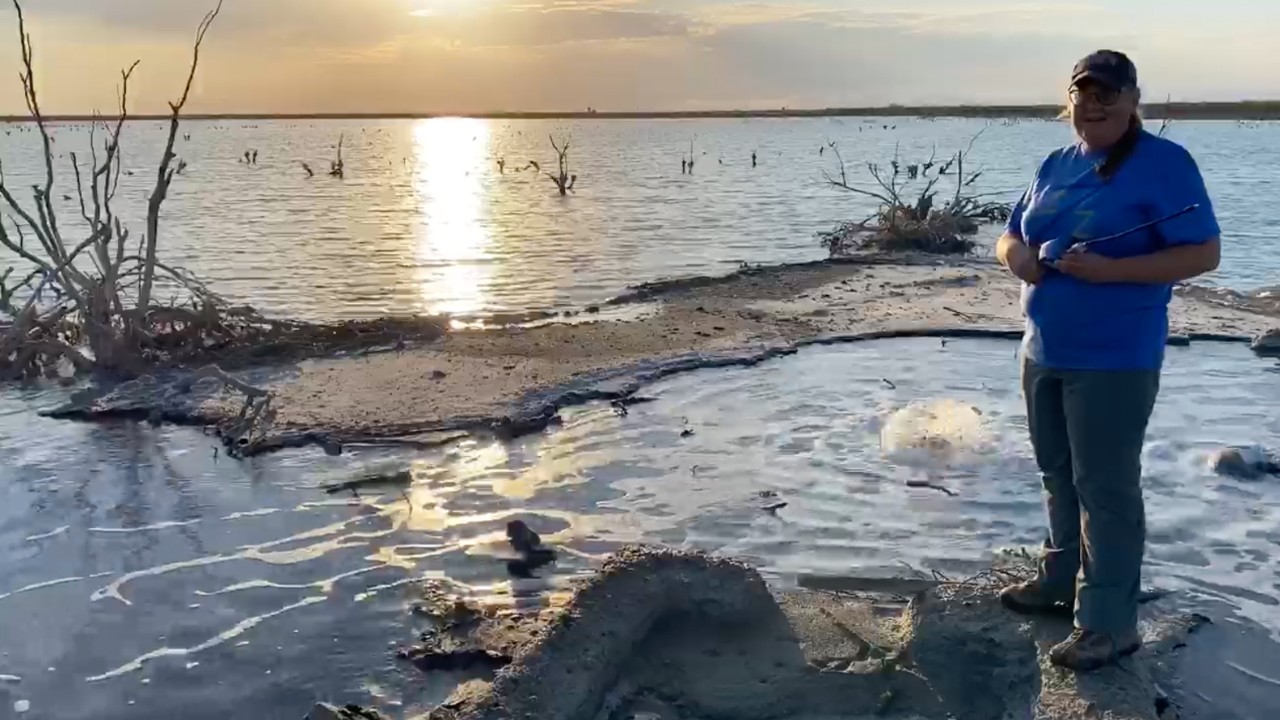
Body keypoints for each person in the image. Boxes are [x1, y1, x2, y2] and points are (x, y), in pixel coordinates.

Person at [995, 50, 1221, 672]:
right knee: (1057, 476)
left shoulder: (1165, 165)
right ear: (1067, 98)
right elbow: (1009, 233)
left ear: (1132, 100)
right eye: (1081, 93)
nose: (1091, 105)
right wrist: (1017, 259)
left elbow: (1203, 254)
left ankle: (1109, 625)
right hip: (1042, 349)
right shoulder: (1056, 163)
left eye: (1107, 94)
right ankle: (1057, 584)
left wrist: (1112, 271)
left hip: (1115, 357)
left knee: (1107, 489)